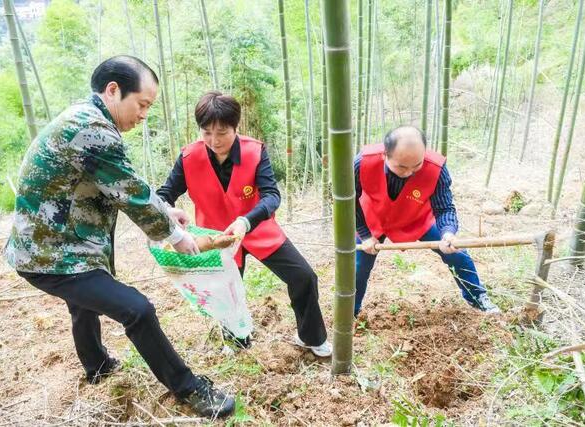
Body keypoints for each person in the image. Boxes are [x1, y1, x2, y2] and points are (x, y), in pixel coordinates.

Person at [4, 56, 234, 419]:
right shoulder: (93, 129)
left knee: (84, 303)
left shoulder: (85, 117)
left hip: (51, 247)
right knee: (137, 310)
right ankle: (189, 388)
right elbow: (131, 192)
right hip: (53, 255)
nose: (144, 115)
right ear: (113, 91)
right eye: (142, 104)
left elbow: (122, 182)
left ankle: (97, 366)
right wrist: (175, 235)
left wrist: (165, 210)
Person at [156, 91, 332, 357]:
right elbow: (164, 194)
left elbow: (272, 195)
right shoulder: (188, 158)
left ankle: (310, 337)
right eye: (206, 133)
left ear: (236, 127)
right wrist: (168, 210)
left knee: (303, 276)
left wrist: (245, 221)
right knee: (226, 292)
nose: (214, 141)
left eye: (222, 132)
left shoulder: (255, 151)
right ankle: (238, 342)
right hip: (217, 237)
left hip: (257, 230)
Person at [353, 125, 501, 316]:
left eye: (416, 166)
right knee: (358, 267)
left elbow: (445, 207)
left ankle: (477, 297)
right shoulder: (362, 162)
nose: (409, 173)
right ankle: (351, 310)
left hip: (417, 217)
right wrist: (365, 235)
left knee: (457, 254)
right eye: (401, 167)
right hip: (373, 219)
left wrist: (448, 233)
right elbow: (349, 201)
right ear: (385, 155)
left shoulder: (436, 168)